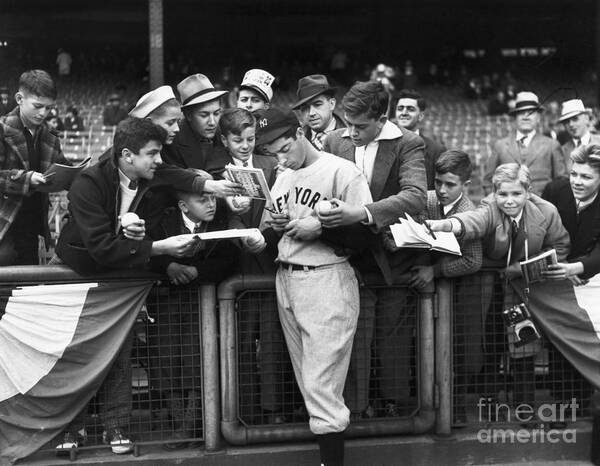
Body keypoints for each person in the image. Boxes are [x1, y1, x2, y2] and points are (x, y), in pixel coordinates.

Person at [54, 117, 203, 454]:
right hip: (78, 272)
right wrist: (160, 247)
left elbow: (176, 176)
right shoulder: (88, 182)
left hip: (119, 273)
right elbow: (102, 247)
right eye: (152, 153)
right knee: (76, 353)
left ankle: (116, 425)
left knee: (118, 351)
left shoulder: (148, 175)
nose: (159, 160)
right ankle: (71, 429)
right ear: (126, 155)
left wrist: (211, 187)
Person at [257, 108, 373, 466]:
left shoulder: (342, 172)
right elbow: (268, 232)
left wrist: (321, 228)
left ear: (301, 132)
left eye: (284, 147)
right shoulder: (282, 175)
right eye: (272, 151)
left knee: (322, 385)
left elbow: (368, 235)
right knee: (310, 383)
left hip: (326, 278)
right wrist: (275, 226)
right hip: (287, 278)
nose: (279, 157)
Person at [428, 163, 570, 426]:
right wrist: (449, 224)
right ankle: (488, 404)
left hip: (523, 288)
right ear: (494, 193)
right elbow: (474, 222)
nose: (509, 201)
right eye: (502, 194)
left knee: (524, 346)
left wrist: (525, 268)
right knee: (486, 345)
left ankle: (525, 410)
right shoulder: (488, 207)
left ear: (528, 191)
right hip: (486, 287)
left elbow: (560, 248)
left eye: (516, 194)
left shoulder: (547, 212)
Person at [322, 80, 427, 419]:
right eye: (347, 123)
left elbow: (415, 196)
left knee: (391, 339)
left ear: (382, 119)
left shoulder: (408, 143)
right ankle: (354, 408)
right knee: (352, 340)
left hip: (391, 259)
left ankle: (393, 408)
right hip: (344, 258)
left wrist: (363, 212)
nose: (350, 132)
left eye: (360, 126)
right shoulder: (332, 140)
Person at [149, 182, 265, 449]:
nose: (211, 204)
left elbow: (229, 261)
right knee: (166, 360)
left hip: (201, 301)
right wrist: (169, 266)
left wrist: (198, 272)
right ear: (182, 205)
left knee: (197, 362)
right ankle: (181, 424)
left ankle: (188, 428)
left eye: (213, 198)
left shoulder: (222, 223)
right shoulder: (162, 221)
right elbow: (147, 252)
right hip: (166, 301)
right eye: (203, 200)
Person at [406, 150, 483, 423]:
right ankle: (424, 406)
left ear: (466, 186)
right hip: (427, 289)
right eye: (438, 182)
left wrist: (435, 270)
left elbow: (473, 261)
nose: (441, 190)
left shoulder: (468, 212)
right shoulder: (427, 199)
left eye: (450, 185)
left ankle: (455, 411)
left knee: (458, 351)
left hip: (461, 289)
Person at [543, 143, 600, 424]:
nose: (577, 181)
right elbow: (540, 229)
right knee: (560, 341)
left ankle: (588, 401)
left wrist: (579, 267)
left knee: (590, 342)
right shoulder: (555, 191)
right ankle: (562, 404)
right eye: (574, 174)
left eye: (586, 177)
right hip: (558, 276)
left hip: (592, 278)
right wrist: (560, 266)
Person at [0, 69, 69, 266]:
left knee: (26, 278)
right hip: (4, 219)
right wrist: (26, 179)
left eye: (48, 108)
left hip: (32, 222)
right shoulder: (1, 129)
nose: (43, 113)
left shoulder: (49, 135)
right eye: (38, 106)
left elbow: (64, 167)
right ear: (19, 98)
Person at [483, 91, 566, 195]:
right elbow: (488, 182)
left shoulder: (552, 145)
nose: (526, 116)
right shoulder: (500, 146)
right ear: (515, 117)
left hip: (542, 208)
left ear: (538, 118)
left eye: (531, 112)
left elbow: (561, 183)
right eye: (521, 112)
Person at [164, 74, 228, 172]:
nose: (212, 122)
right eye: (204, 115)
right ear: (188, 115)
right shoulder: (172, 142)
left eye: (216, 113)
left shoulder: (224, 133)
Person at [394, 89, 446, 189]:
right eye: (400, 108)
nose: (404, 112)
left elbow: (439, 188)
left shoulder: (436, 150)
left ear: (421, 116)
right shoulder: (384, 145)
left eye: (410, 109)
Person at [291, 74, 345, 151]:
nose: (311, 113)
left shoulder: (352, 137)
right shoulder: (295, 141)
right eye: (305, 108)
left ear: (331, 104)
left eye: (317, 104)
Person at [557, 99, 600, 171]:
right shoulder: (562, 151)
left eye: (575, 119)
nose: (571, 124)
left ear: (586, 118)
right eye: (567, 122)